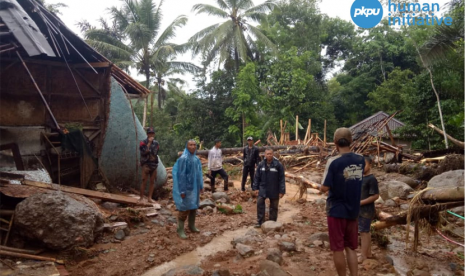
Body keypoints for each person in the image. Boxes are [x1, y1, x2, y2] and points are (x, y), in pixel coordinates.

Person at [320, 128, 365, 276]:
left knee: (337, 248)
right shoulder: (360, 160)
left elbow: (325, 187)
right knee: (350, 248)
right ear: (351, 141)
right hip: (353, 211)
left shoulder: (333, 162)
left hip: (336, 210)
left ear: (335, 142)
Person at [172, 140, 204, 239]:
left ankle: (191, 225)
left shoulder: (196, 159)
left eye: (194, 145)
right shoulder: (183, 159)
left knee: (193, 206)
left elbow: (199, 173)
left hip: (194, 187)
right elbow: (181, 175)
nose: (193, 147)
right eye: (191, 145)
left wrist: (201, 186)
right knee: (184, 208)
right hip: (186, 187)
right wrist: (182, 190)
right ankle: (180, 229)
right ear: (187, 146)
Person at [253, 148, 285, 228]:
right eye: (267, 154)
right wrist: (256, 188)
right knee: (260, 203)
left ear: (273, 154)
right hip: (263, 187)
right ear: (265, 155)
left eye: (270, 154)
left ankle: (272, 223)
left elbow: (282, 178)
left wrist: (282, 191)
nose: (269, 155)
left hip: (274, 188)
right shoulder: (261, 164)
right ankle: (260, 222)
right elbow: (257, 177)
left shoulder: (278, 165)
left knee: (274, 206)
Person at [358, 156, 379, 263]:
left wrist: (360, 202)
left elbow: (375, 196)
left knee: (364, 232)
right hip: (360, 210)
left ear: (370, 165)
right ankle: (368, 253)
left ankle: (363, 255)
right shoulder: (360, 177)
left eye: (364, 164)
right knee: (365, 231)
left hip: (366, 210)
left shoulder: (371, 179)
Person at [139, 127, 159, 203]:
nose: (151, 135)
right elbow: (144, 152)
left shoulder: (156, 143)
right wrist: (149, 143)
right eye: (150, 133)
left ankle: (149, 198)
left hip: (154, 164)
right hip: (146, 164)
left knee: (152, 182)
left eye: (152, 133)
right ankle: (141, 198)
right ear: (147, 134)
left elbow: (156, 153)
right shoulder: (143, 142)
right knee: (144, 180)